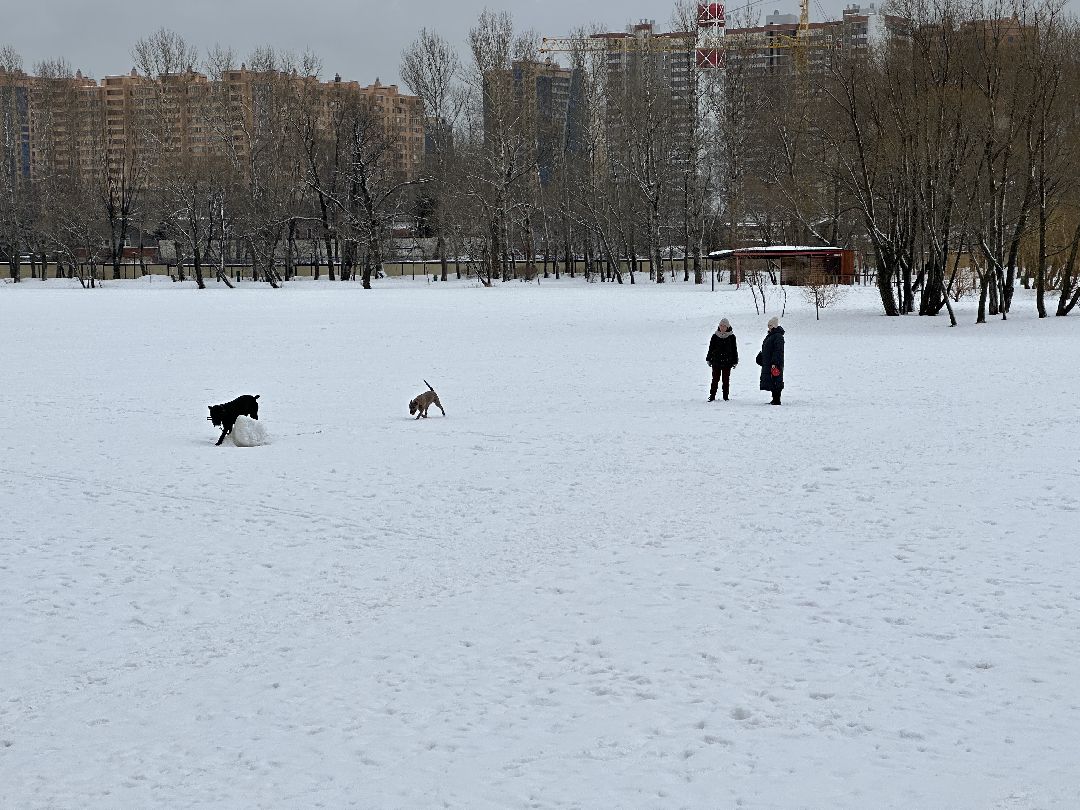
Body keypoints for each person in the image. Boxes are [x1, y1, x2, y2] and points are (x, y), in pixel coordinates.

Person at [705, 318, 738, 401]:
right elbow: (711, 348)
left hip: (727, 362)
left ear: (727, 327)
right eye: (720, 326)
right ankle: (712, 396)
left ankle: (725, 396)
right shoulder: (715, 336)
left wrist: (735, 361)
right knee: (715, 379)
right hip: (716, 361)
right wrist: (709, 358)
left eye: (724, 326)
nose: (722, 327)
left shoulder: (731, 337)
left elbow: (734, 350)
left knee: (726, 380)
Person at [756, 316, 785, 405]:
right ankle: (774, 399)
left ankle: (777, 400)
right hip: (769, 362)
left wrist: (775, 363)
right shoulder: (770, 335)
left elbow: (778, 351)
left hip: (775, 363)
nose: (769, 327)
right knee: (772, 380)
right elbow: (767, 348)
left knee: (776, 380)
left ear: (775, 326)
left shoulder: (778, 336)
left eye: (771, 325)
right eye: (768, 325)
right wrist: (761, 356)